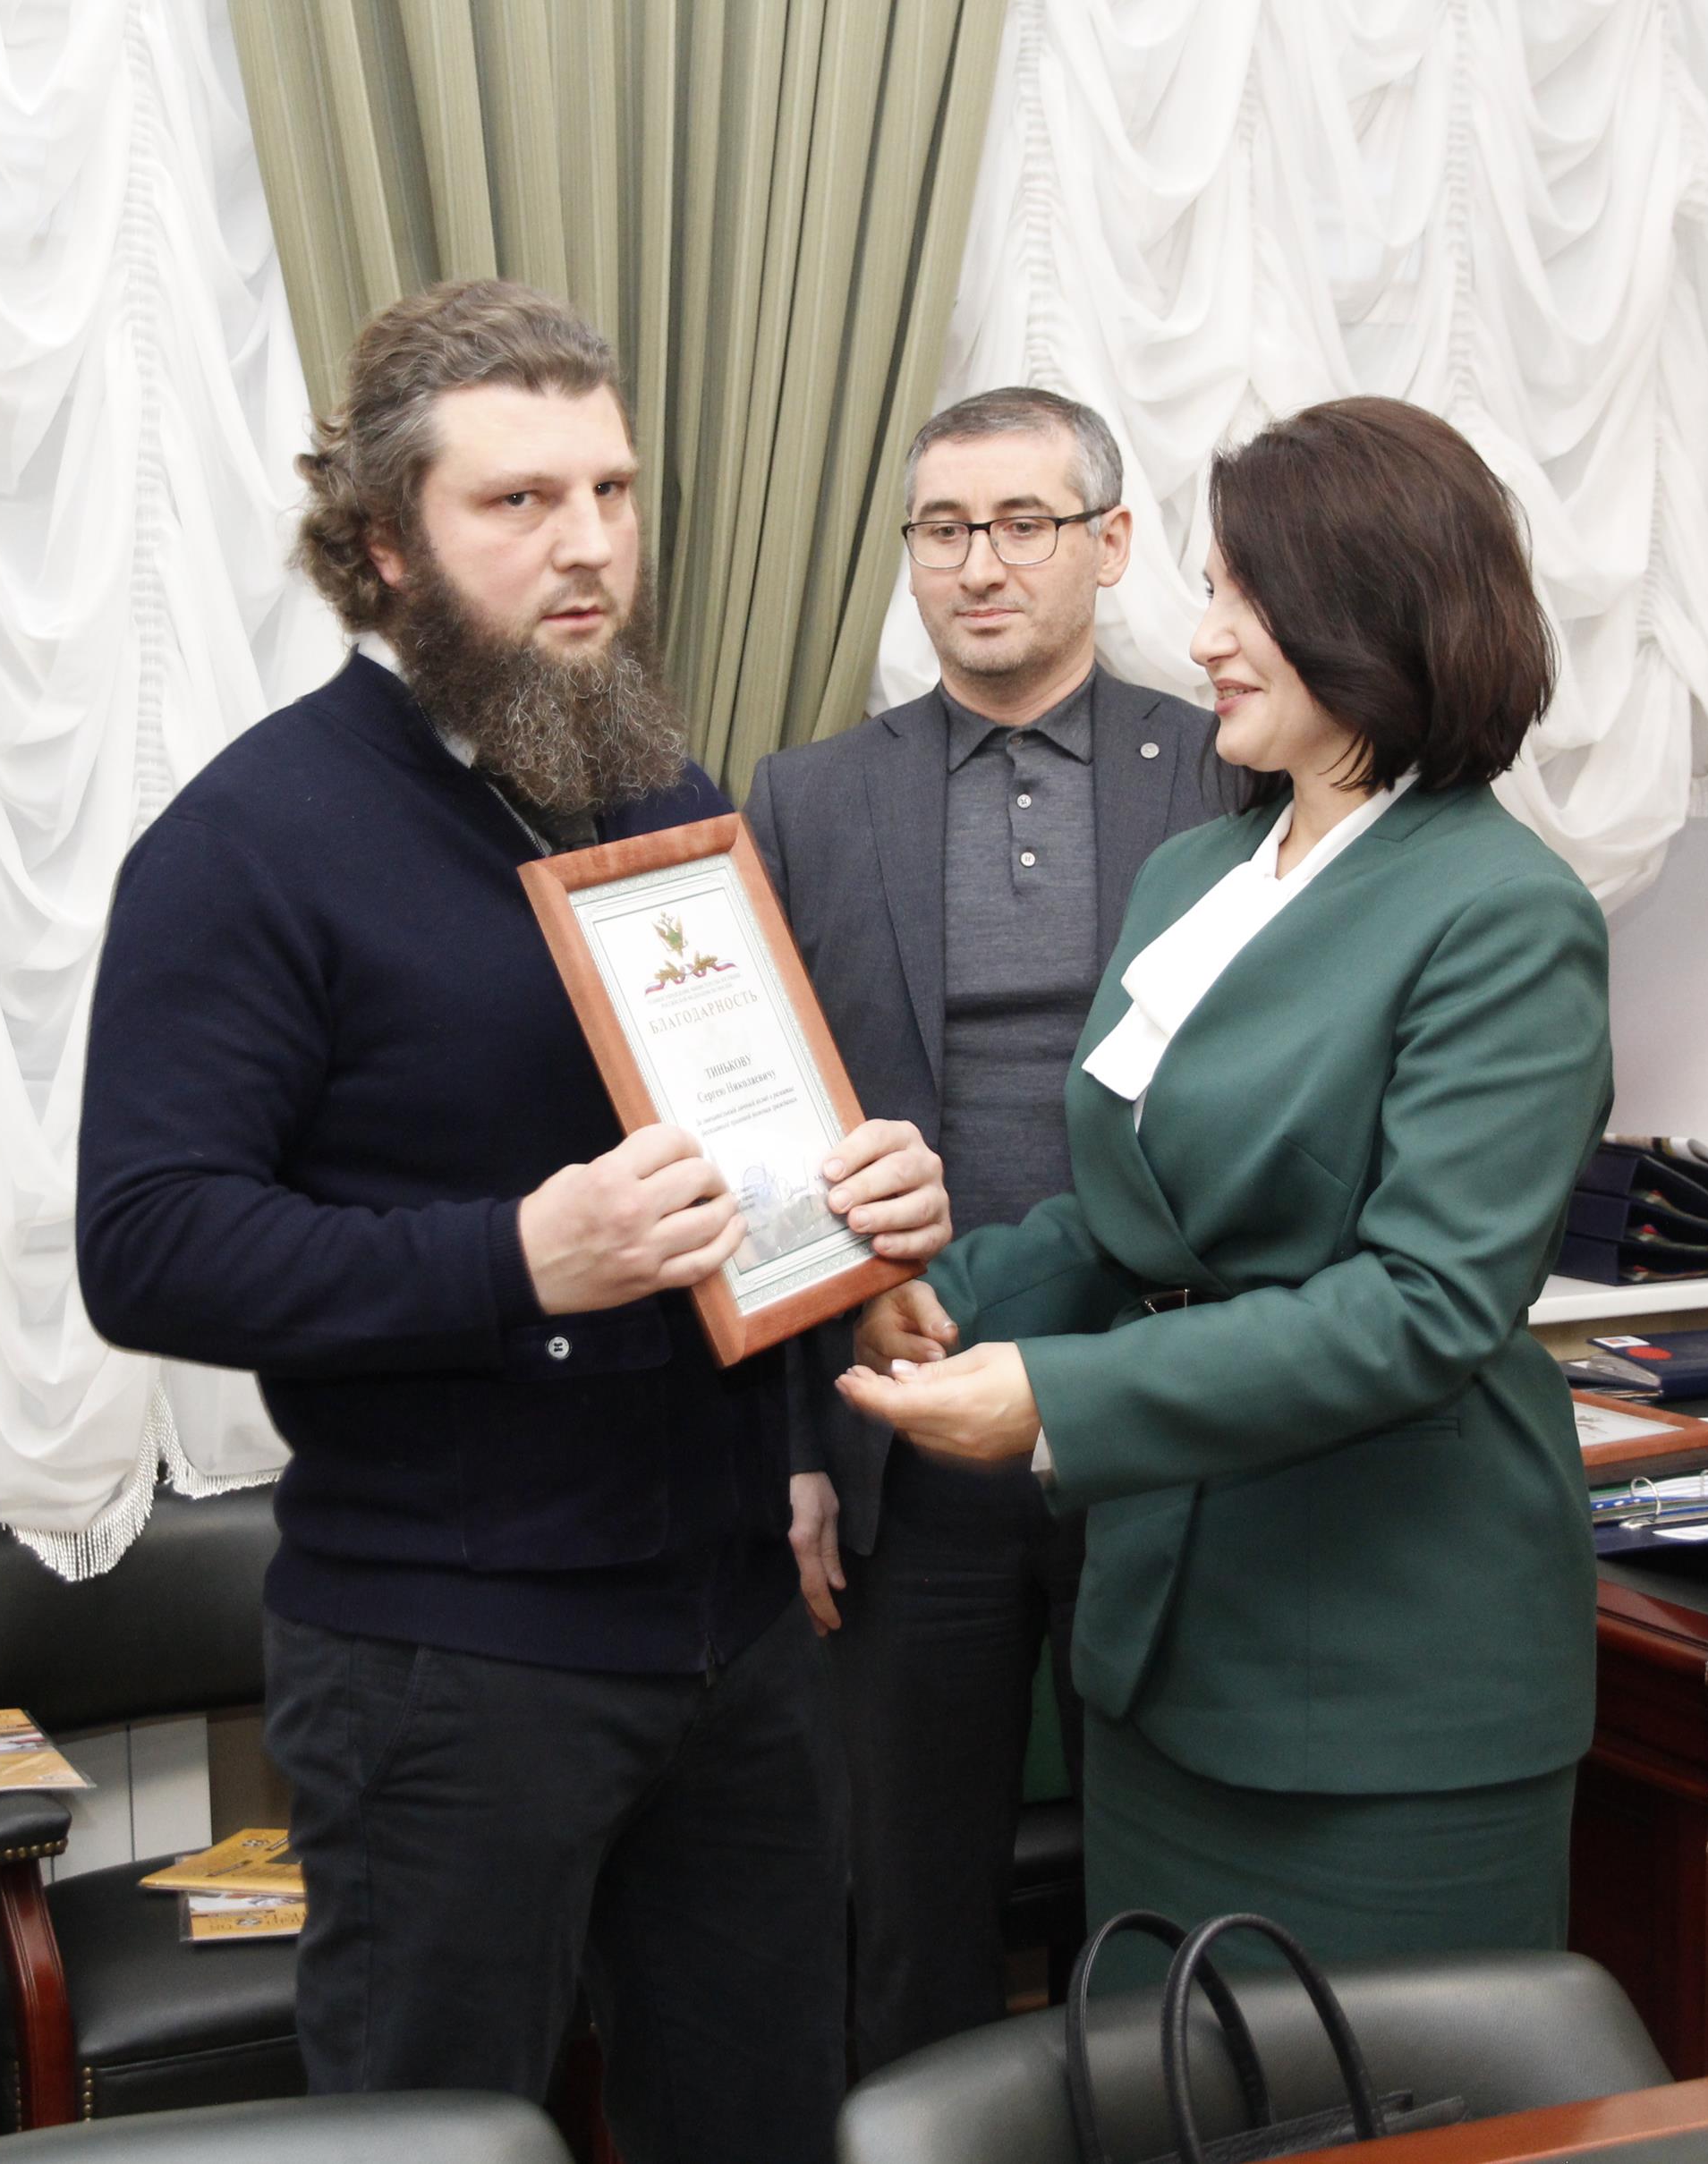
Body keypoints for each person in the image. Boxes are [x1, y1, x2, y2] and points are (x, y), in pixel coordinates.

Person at [73, 279, 951, 2163]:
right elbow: (145, 1242)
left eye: (611, 491)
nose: (588, 545)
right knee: (434, 2144)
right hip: (445, 1664)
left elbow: (721, 1154)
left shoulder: (657, 791)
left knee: (762, 2129)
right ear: (383, 543)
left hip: (734, 1626)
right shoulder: (246, 841)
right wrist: (514, 1256)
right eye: (519, 501)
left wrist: (852, 1242)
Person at [837, 396, 1611, 1969]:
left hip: (1387, 1674)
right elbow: (1133, 1217)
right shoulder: (1201, 869)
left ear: (1374, 614)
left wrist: (1053, 1396)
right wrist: (935, 1297)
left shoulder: (1504, 911)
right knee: (1158, 2072)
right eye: (1210, 595)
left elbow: (1421, 1305)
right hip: (1166, 1646)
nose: (1203, 641)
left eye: (1246, 601)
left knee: (1374, 2092)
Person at [742, 386, 1219, 2070]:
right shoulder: (808, 798)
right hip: (904, 1429)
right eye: (943, 528)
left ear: (1110, 542)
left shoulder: (1224, 773)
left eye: (1023, 522)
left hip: (1156, 1424)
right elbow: (763, 1137)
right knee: (904, 1914)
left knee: (1164, 1904)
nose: (979, 563)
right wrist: (794, 1444)